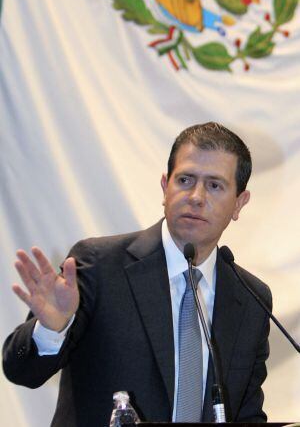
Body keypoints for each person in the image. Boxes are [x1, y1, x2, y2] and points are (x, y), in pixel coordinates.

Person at [2, 122, 272, 426]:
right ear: (164, 187)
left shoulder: (250, 299)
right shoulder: (98, 266)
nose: (196, 196)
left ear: (239, 203)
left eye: (214, 185)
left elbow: (247, 415)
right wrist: (52, 330)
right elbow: (21, 371)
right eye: (185, 179)